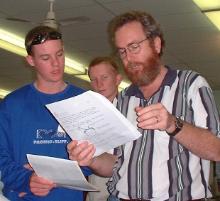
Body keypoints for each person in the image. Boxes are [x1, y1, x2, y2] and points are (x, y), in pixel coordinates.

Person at [67, 10, 220, 201]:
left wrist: (172, 124)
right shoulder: (123, 100)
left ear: (156, 44)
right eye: (122, 51)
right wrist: (92, 160)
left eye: (134, 47)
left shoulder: (191, 85)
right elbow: (115, 163)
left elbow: (216, 150)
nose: (128, 59)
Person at [0, 25, 91, 201]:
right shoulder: (12, 104)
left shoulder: (84, 100)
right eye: (45, 57)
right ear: (31, 61)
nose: (56, 63)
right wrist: (26, 179)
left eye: (59, 54)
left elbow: (93, 159)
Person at [86, 56, 122, 201]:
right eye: (93, 79)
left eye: (104, 77)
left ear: (118, 79)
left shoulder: (136, 111)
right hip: (97, 189)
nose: (99, 84)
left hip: (126, 189)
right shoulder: (84, 115)